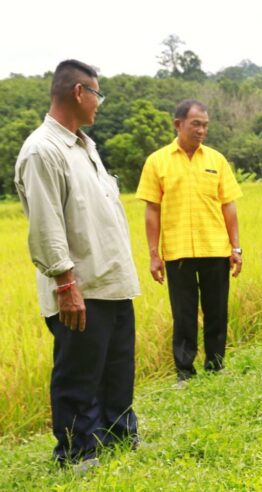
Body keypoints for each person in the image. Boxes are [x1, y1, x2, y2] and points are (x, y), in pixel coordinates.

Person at [14, 59, 140, 468]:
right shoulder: (42, 150)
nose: (99, 103)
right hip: (80, 286)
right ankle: (77, 452)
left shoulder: (86, 147)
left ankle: (120, 435)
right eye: (97, 94)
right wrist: (66, 285)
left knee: (117, 369)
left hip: (113, 280)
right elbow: (47, 225)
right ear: (78, 93)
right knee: (79, 376)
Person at [136, 99, 243, 383]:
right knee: (183, 314)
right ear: (178, 124)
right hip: (177, 251)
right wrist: (153, 254)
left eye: (205, 125)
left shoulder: (216, 160)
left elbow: (228, 206)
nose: (201, 130)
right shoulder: (157, 161)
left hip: (215, 247)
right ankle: (185, 371)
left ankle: (216, 364)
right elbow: (152, 210)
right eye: (196, 124)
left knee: (217, 311)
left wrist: (236, 247)